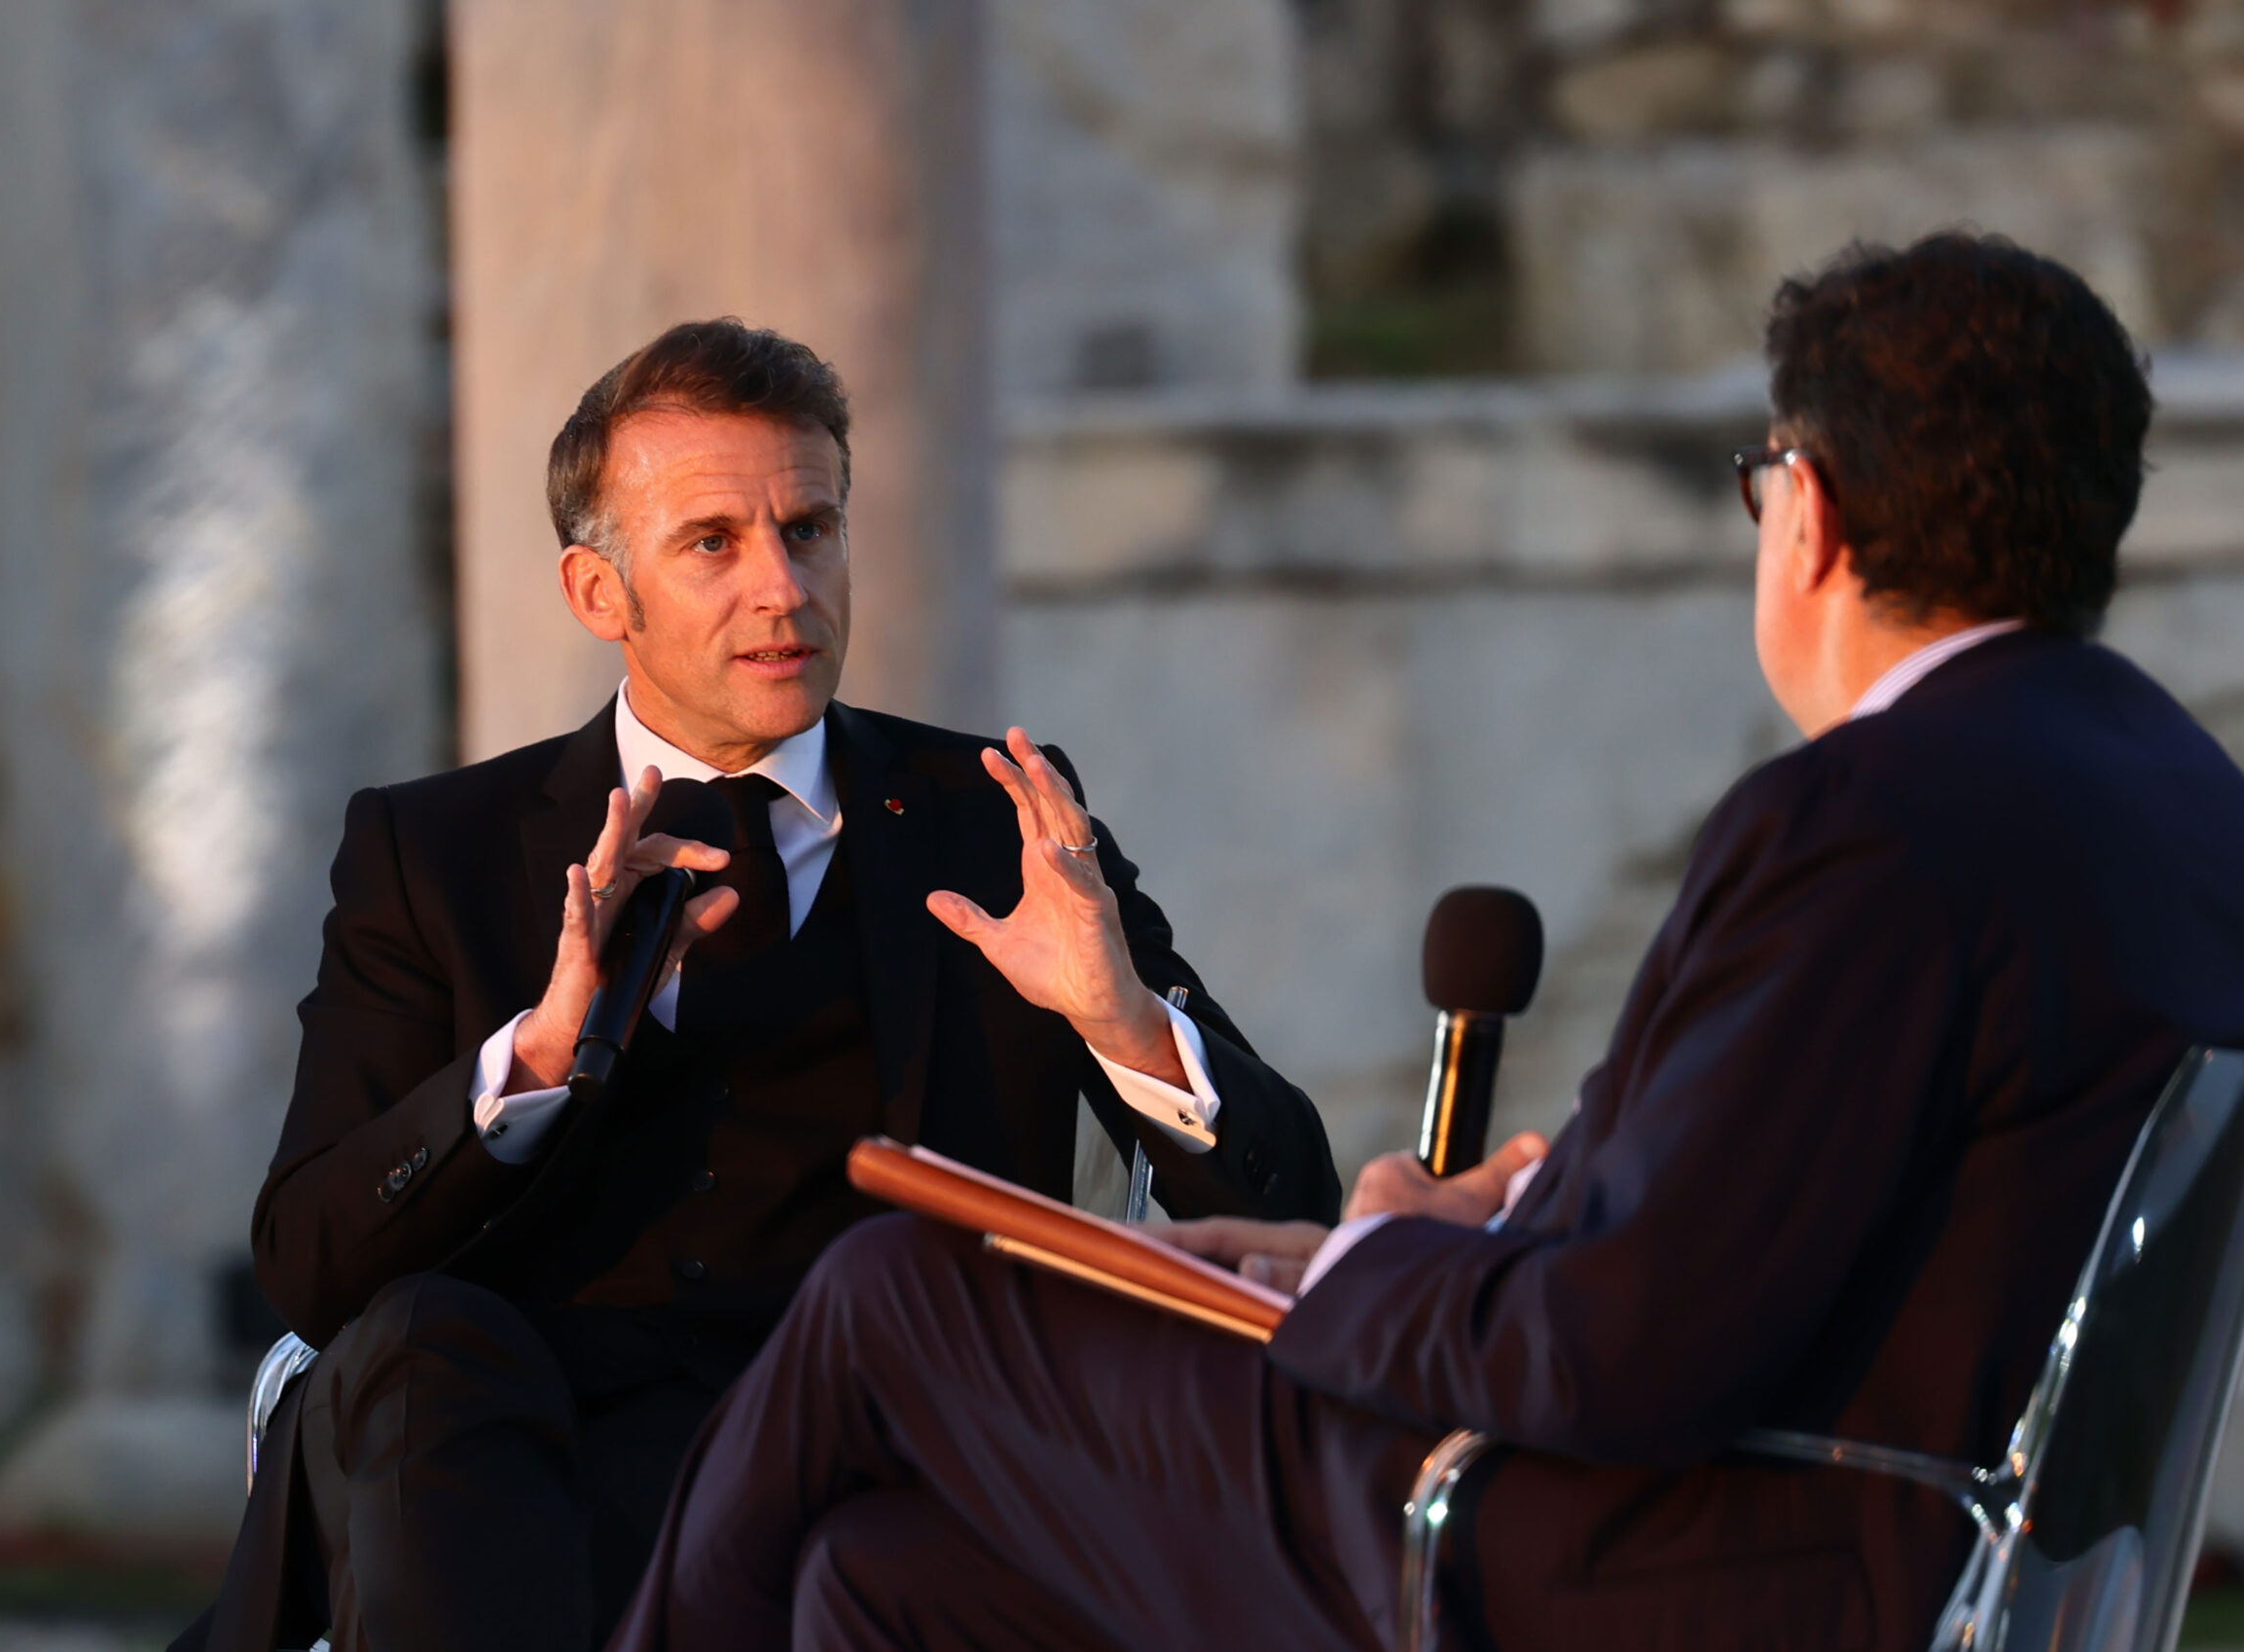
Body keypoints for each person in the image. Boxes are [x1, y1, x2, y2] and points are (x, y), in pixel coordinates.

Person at [604, 234, 2244, 1652]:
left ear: (1804, 511)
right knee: (880, 1577)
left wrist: (1374, 1254)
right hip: (1858, 1551)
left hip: (1626, 1565)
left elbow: (1619, 1351)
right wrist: (1473, 1223)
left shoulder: (1872, 818)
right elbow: (1774, 1230)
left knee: (893, 1291)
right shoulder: (2176, 796)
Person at [173, 319, 1342, 1652]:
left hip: (888, 1474)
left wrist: (1118, 1015)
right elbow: (312, 1264)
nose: (783, 588)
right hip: (528, 1490)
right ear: (599, 593)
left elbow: (1289, 1210)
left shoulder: (990, 818)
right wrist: (538, 1056)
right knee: (423, 1343)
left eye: (810, 529)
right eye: (713, 543)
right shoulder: (437, 850)